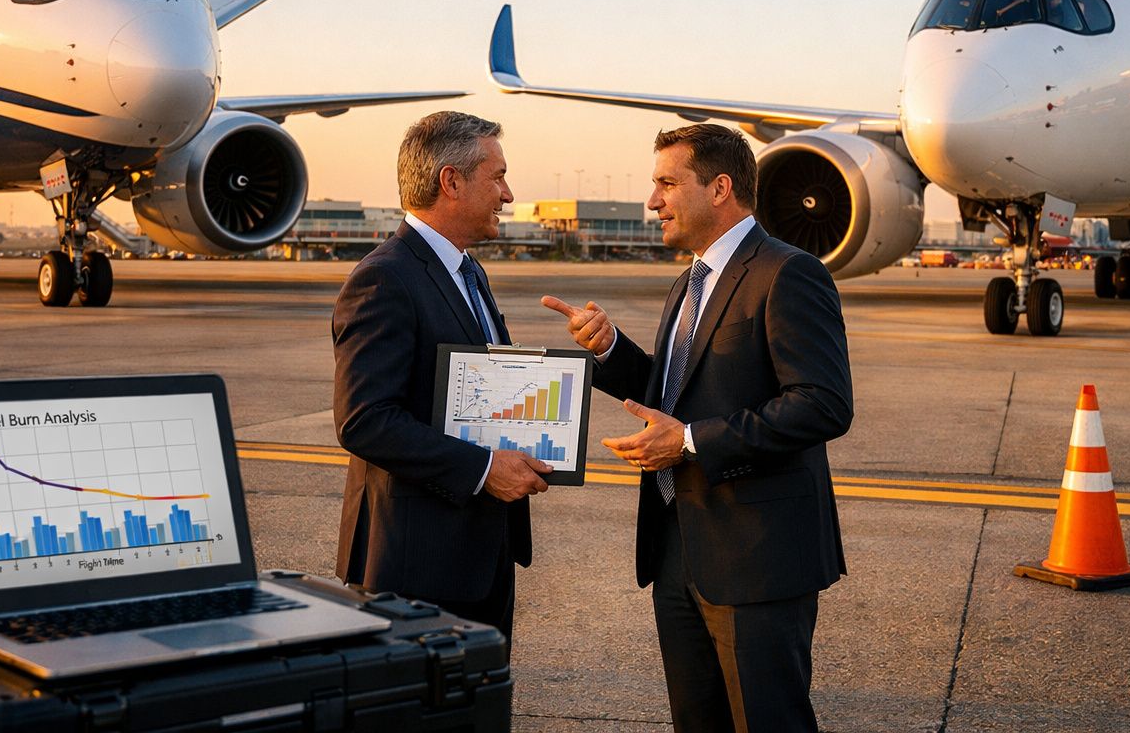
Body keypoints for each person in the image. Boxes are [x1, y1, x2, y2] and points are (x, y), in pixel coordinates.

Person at [543, 123, 852, 733]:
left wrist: (687, 442)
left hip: (755, 555)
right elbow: (677, 388)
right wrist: (610, 352)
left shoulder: (788, 273)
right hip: (679, 548)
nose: (652, 202)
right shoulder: (690, 280)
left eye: (665, 183)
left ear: (719, 188)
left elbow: (822, 403)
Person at [333, 111, 551, 639]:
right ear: (450, 182)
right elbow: (365, 420)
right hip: (415, 565)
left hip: (480, 549)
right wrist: (483, 468)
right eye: (496, 176)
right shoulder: (385, 278)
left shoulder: (466, 269)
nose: (508, 194)